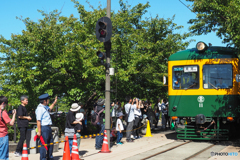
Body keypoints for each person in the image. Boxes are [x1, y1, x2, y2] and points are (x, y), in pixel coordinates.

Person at [35, 93, 57, 160]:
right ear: (44, 101)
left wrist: (54, 102)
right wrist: (39, 131)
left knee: (50, 143)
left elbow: (49, 108)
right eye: (48, 100)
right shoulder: (40, 109)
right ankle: (43, 158)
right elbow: (38, 120)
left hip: (48, 127)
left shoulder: (45, 107)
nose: (48, 101)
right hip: (44, 127)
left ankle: (50, 157)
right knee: (44, 144)